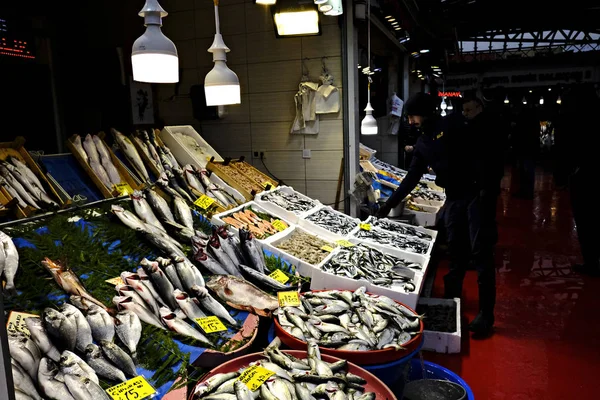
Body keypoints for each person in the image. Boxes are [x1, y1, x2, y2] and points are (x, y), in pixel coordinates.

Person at [376, 92, 496, 336]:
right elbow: (412, 176)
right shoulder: (423, 142)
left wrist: (487, 190)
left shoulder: (455, 124)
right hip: (454, 196)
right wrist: (389, 204)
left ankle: (486, 313)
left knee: (480, 252)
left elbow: (485, 154)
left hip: (476, 194)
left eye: (413, 116)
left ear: (427, 113)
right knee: (455, 244)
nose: (411, 122)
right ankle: (453, 295)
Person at [554, 86, 600, 276]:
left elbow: (564, 150)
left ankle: (591, 262)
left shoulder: (568, 119)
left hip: (581, 176)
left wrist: (562, 176)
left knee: (585, 220)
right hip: (591, 172)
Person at [462, 96, 507, 247]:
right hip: (492, 178)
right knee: (488, 215)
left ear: (479, 108)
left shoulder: (478, 126)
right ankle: (489, 244)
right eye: (464, 111)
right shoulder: (492, 123)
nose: (466, 113)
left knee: (482, 217)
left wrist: (479, 182)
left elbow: (481, 157)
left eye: (469, 110)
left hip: (484, 180)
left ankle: (482, 250)